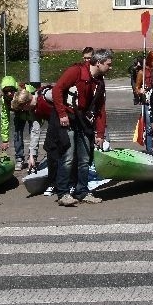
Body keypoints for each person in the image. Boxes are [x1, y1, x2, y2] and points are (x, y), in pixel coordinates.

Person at [51, 48, 113, 206]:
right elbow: (57, 89)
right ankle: (63, 193)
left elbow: (100, 109)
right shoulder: (75, 72)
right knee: (68, 158)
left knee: (85, 159)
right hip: (69, 119)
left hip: (84, 122)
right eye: (108, 64)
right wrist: (62, 114)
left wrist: (100, 134)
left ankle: (82, 191)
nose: (110, 68)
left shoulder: (99, 82)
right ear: (98, 63)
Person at [135, 50, 153, 156]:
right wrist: (140, 91)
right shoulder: (142, 72)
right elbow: (137, 88)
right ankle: (150, 150)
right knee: (149, 128)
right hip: (147, 103)